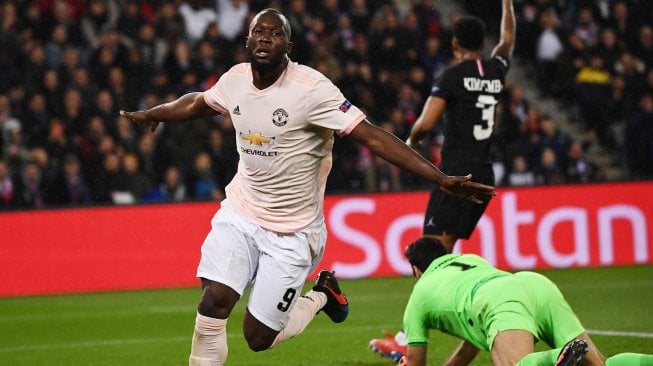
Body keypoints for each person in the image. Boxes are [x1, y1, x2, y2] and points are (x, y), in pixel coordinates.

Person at [119, 9, 496, 365]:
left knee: (258, 337)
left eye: (276, 33)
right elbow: (201, 102)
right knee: (213, 303)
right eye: (258, 32)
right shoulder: (234, 79)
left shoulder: (312, 89)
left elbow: (372, 136)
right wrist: (157, 113)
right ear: (248, 40)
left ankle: (321, 295)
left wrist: (440, 178)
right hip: (241, 213)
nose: (265, 38)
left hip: (293, 231)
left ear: (288, 46)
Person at [370, 0, 515, 359]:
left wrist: (412, 140)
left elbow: (427, 123)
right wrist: (507, 4)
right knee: (441, 253)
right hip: (484, 171)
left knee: (427, 254)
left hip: (455, 176)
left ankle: (409, 340)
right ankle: (414, 334)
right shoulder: (496, 68)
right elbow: (508, 38)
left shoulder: (450, 76)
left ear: (454, 45)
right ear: (483, 43)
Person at [397, 236, 653, 366]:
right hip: (532, 284)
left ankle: (556, 358)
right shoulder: (471, 259)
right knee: (600, 364)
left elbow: (416, 362)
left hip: (496, 298)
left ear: (416, 270)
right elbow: (474, 340)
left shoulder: (418, 296)